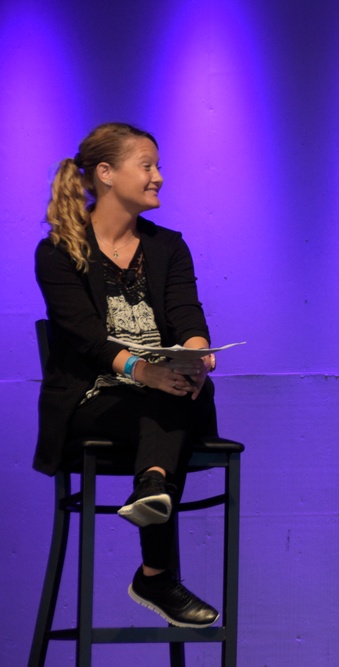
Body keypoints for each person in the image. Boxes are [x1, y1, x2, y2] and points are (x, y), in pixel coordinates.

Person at [34, 122, 220, 628]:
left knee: (178, 387)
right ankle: (156, 570)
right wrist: (145, 371)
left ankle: (150, 488)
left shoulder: (169, 247)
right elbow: (86, 339)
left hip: (164, 397)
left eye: (158, 166)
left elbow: (188, 317)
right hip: (94, 402)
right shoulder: (57, 252)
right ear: (106, 174)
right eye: (148, 166)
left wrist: (197, 354)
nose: (159, 177)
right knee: (161, 392)